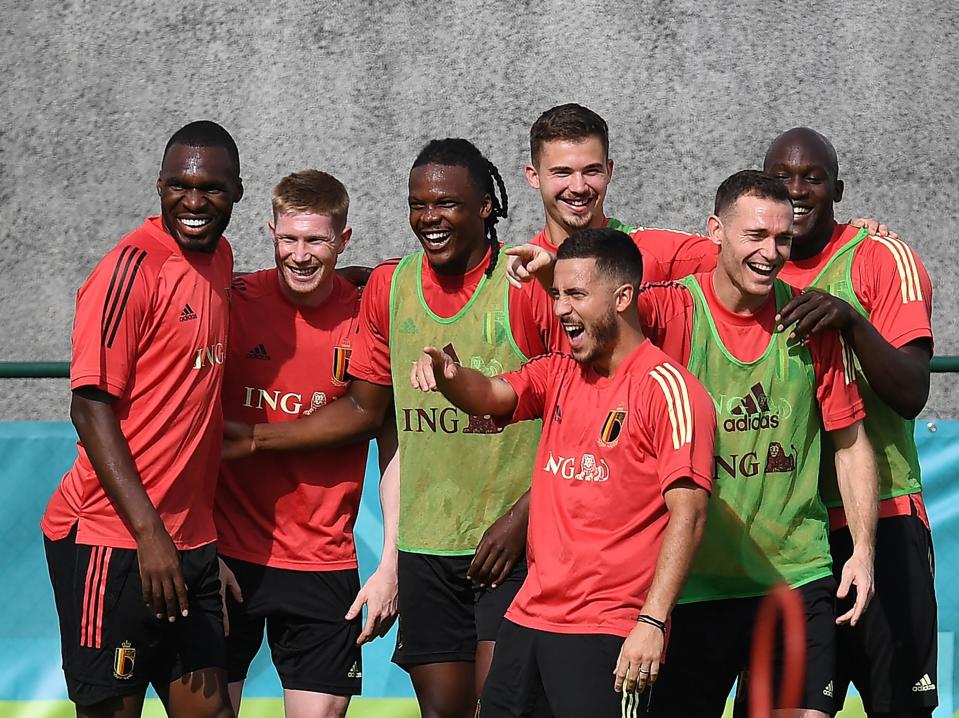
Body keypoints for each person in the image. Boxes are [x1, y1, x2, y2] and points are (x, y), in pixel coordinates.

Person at [222, 139, 553, 718]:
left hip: (505, 547)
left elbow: (575, 413)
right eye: (417, 203)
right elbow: (372, 412)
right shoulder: (384, 287)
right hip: (419, 551)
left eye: (446, 203)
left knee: (504, 705)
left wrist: (522, 517)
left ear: (485, 207)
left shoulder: (523, 286)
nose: (430, 216)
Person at [410, 228, 716, 717]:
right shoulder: (558, 373)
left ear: (622, 298)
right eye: (556, 295)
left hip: (609, 628)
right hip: (529, 617)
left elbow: (691, 516)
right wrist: (450, 377)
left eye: (575, 294)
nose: (559, 310)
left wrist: (652, 622)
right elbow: (488, 394)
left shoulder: (669, 390)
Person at [628, 170, 878, 717]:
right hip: (691, 589)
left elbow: (851, 442)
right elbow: (594, 310)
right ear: (715, 231)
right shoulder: (669, 313)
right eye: (755, 236)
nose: (770, 252)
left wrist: (861, 551)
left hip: (794, 580)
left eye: (782, 238)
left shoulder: (809, 322)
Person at [40, 121, 242, 718]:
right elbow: (90, 407)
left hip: (192, 545)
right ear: (159, 185)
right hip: (113, 539)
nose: (194, 201)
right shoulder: (128, 269)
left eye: (212, 188)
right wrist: (151, 535)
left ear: (237, 192)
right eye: (180, 185)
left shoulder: (221, 258)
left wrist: (355, 280)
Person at [213, 169, 398, 718]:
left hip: (322, 561)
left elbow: (391, 442)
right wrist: (192, 546)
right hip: (225, 556)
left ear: (343, 240)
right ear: (270, 231)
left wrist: (390, 565)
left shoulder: (369, 313)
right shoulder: (232, 302)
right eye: (288, 239)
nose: (300, 254)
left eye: (316, 240)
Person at [766, 128, 937, 718]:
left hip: (883, 519)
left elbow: (913, 391)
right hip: (786, 534)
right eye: (780, 179)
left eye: (810, 177)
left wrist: (852, 322)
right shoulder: (748, 267)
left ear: (836, 188)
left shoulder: (878, 256)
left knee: (900, 707)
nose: (795, 190)